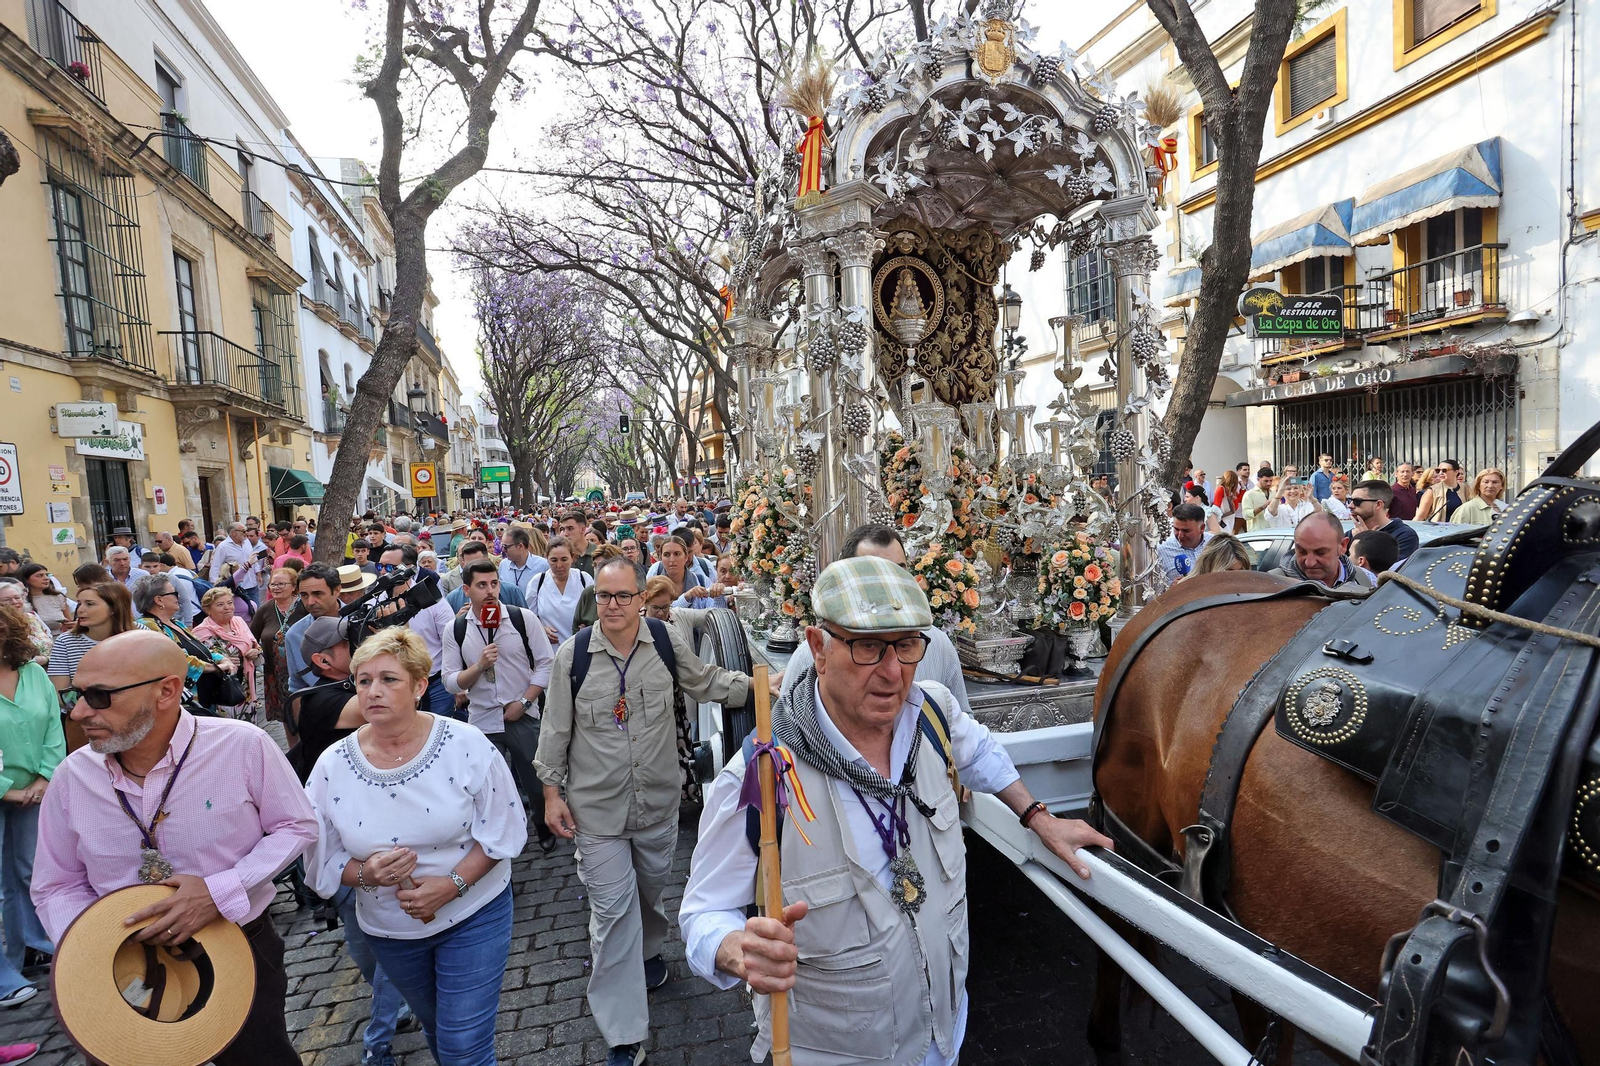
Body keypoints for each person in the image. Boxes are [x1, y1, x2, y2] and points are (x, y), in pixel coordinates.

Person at [680, 555, 1112, 1064]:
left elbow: (982, 753)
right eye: (867, 647)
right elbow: (702, 912)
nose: (892, 672)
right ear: (817, 648)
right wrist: (736, 948)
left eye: (907, 646)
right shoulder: (762, 774)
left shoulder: (933, 712)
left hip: (945, 1035)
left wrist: (1039, 816)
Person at [32, 629, 318, 1065]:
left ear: (167, 690)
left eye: (99, 696)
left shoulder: (241, 745)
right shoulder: (73, 776)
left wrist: (219, 891)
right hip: (120, 966)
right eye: (76, 696)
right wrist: (97, 945)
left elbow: (295, 825)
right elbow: (56, 885)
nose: (80, 712)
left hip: (240, 944)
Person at [535, 556, 754, 1065]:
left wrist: (762, 686)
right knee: (612, 917)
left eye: (623, 596)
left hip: (658, 804)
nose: (614, 605)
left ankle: (651, 950)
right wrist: (551, 793)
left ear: (639, 598)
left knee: (650, 894)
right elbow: (555, 731)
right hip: (597, 813)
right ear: (597, 602)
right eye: (605, 597)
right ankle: (625, 1034)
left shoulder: (662, 641)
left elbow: (705, 682)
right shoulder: (574, 656)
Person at [305, 628, 526, 1066]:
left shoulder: (465, 745)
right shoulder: (332, 765)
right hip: (392, 931)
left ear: (420, 686)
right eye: (363, 681)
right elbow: (318, 854)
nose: (373, 691)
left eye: (389, 679)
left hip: (473, 914)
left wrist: (452, 885)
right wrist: (367, 874)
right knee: (439, 1032)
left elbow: (503, 829)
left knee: (464, 1045)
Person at [776, 524, 973, 713]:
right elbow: (787, 726)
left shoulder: (938, 644)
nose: (893, 672)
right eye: (867, 646)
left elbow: (959, 724)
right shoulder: (814, 652)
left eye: (899, 571)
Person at [442, 559, 554, 843]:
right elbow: (450, 680)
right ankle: (497, 836)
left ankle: (541, 824)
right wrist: (478, 666)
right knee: (486, 787)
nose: (490, 591)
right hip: (482, 719)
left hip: (523, 714)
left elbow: (545, 664)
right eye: (481, 585)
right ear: (466, 589)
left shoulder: (522, 618)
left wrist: (525, 702)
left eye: (494, 583)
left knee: (536, 784)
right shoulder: (455, 630)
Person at [0, 606, 66, 1006]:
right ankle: (4, 970)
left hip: (34, 789)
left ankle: (35, 942)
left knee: (30, 870)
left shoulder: (33, 673)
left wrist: (44, 778)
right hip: (8, 790)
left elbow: (52, 728)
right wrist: (6, 790)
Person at [133, 574, 237, 708]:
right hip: (186, 701)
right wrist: (215, 667)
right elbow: (178, 659)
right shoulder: (148, 627)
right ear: (159, 600)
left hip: (206, 693)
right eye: (174, 593)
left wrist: (222, 659)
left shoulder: (175, 623)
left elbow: (200, 648)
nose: (179, 597)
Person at [192, 587, 263, 726]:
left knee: (248, 728)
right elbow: (197, 663)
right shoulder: (200, 632)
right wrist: (221, 662)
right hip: (221, 690)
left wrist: (256, 652)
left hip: (245, 686)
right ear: (208, 609)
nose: (227, 608)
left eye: (230, 603)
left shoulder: (239, 622)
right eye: (220, 605)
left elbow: (255, 645)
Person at [251, 568, 300, 746]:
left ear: (294, 586)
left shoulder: (304, 606)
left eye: (282, 584)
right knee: (287, 717)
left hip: (304, 673)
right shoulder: (265, 609)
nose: (276, 588)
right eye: (273, 584)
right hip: (276, 676)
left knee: (307, 714)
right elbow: (251, 638)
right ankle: (295, 754)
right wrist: (254, 649)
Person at [1268, 511, 1374, 591]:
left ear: (1342, 546)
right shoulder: (1271, 585)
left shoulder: (1366, 580)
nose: (1310, 563)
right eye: (1302, 552)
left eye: (1320, 553)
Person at [282, 564, 342, 701]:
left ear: (337, 590)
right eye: (304, 595)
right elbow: (297, 686)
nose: (310, 602)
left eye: (318, 594)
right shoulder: (295, 635)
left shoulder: (361, 622)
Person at [530, 537, 593, 648]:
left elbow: (596, 614)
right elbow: (530, 619)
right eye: (554, 560)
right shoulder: (537, 582)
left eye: (564, 559)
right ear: (546, 558)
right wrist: (541, 629)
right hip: (549, 652)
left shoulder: (584, 579)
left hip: (580, 648)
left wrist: (589, 627)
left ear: (572, 558)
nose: (559, 565)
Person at [1346, 480, 1421, 563]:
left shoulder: (1404, 536)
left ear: (1378, 504)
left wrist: (1365, 542)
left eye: (1357, 501)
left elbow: (1392, 572)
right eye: (1350, 500)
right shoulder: (1351, 534)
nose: (1350, 506)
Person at [445, 543, 527, 612]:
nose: (476, 569)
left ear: (488, 560)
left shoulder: (512, 592)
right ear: (463, 564)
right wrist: (458, 620)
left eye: (480, 563)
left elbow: (525, 623)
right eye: (470, 565)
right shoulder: (453, 598)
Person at [210, 523, 264, 606]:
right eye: (243, 531)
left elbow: (253, 557)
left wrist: (258, 574)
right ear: (234, 533)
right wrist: (215, 585)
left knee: (256, 611)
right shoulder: (223, 547)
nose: (246, 533)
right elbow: (215, 567)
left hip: (252, 584)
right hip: (237, 588)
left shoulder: (246, 542)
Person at [0, 580, 51, 665]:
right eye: (7, 600)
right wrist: (45, 659)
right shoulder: (2, 625)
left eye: (17, 597)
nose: (14, 602)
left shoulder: (31, 618)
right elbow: (9, 656)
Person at [1158, 504, 1212, 582]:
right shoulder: (1162, 549)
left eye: (1186, 531)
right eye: (1176, 529)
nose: (1180, 535)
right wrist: (1170, 587)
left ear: (1202, 528)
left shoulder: (1216, 543)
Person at [497, 527, 551, 603]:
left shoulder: (543, 565)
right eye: (502, 546)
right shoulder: (503, 565)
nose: (503, 550)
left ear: (520, 546)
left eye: (506, 547)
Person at [17, 564, 71, 638]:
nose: (46, 578)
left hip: (61, 639)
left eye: (46, 575)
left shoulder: (58, 597)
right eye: (39, 576)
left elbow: (69, 621)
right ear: (26, 579)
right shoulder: (20, 600)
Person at [1240, 467, 1275, 532]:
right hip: (1257, 535)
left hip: (1273, 532)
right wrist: (1262, 507)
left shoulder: (1274, 494)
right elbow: (1246, 515)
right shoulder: (1249, 494)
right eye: (1266, 481)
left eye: (1271, 481)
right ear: (1258, 479)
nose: (1269, 483)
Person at [1213, 469, 1244, 533]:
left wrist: (1242, 488)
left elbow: (1240, 500)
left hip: (1229, 517)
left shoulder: (1231, 491)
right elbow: (1216, 506)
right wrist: (1219, 519)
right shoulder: (1221, 489)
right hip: (1223, 517)